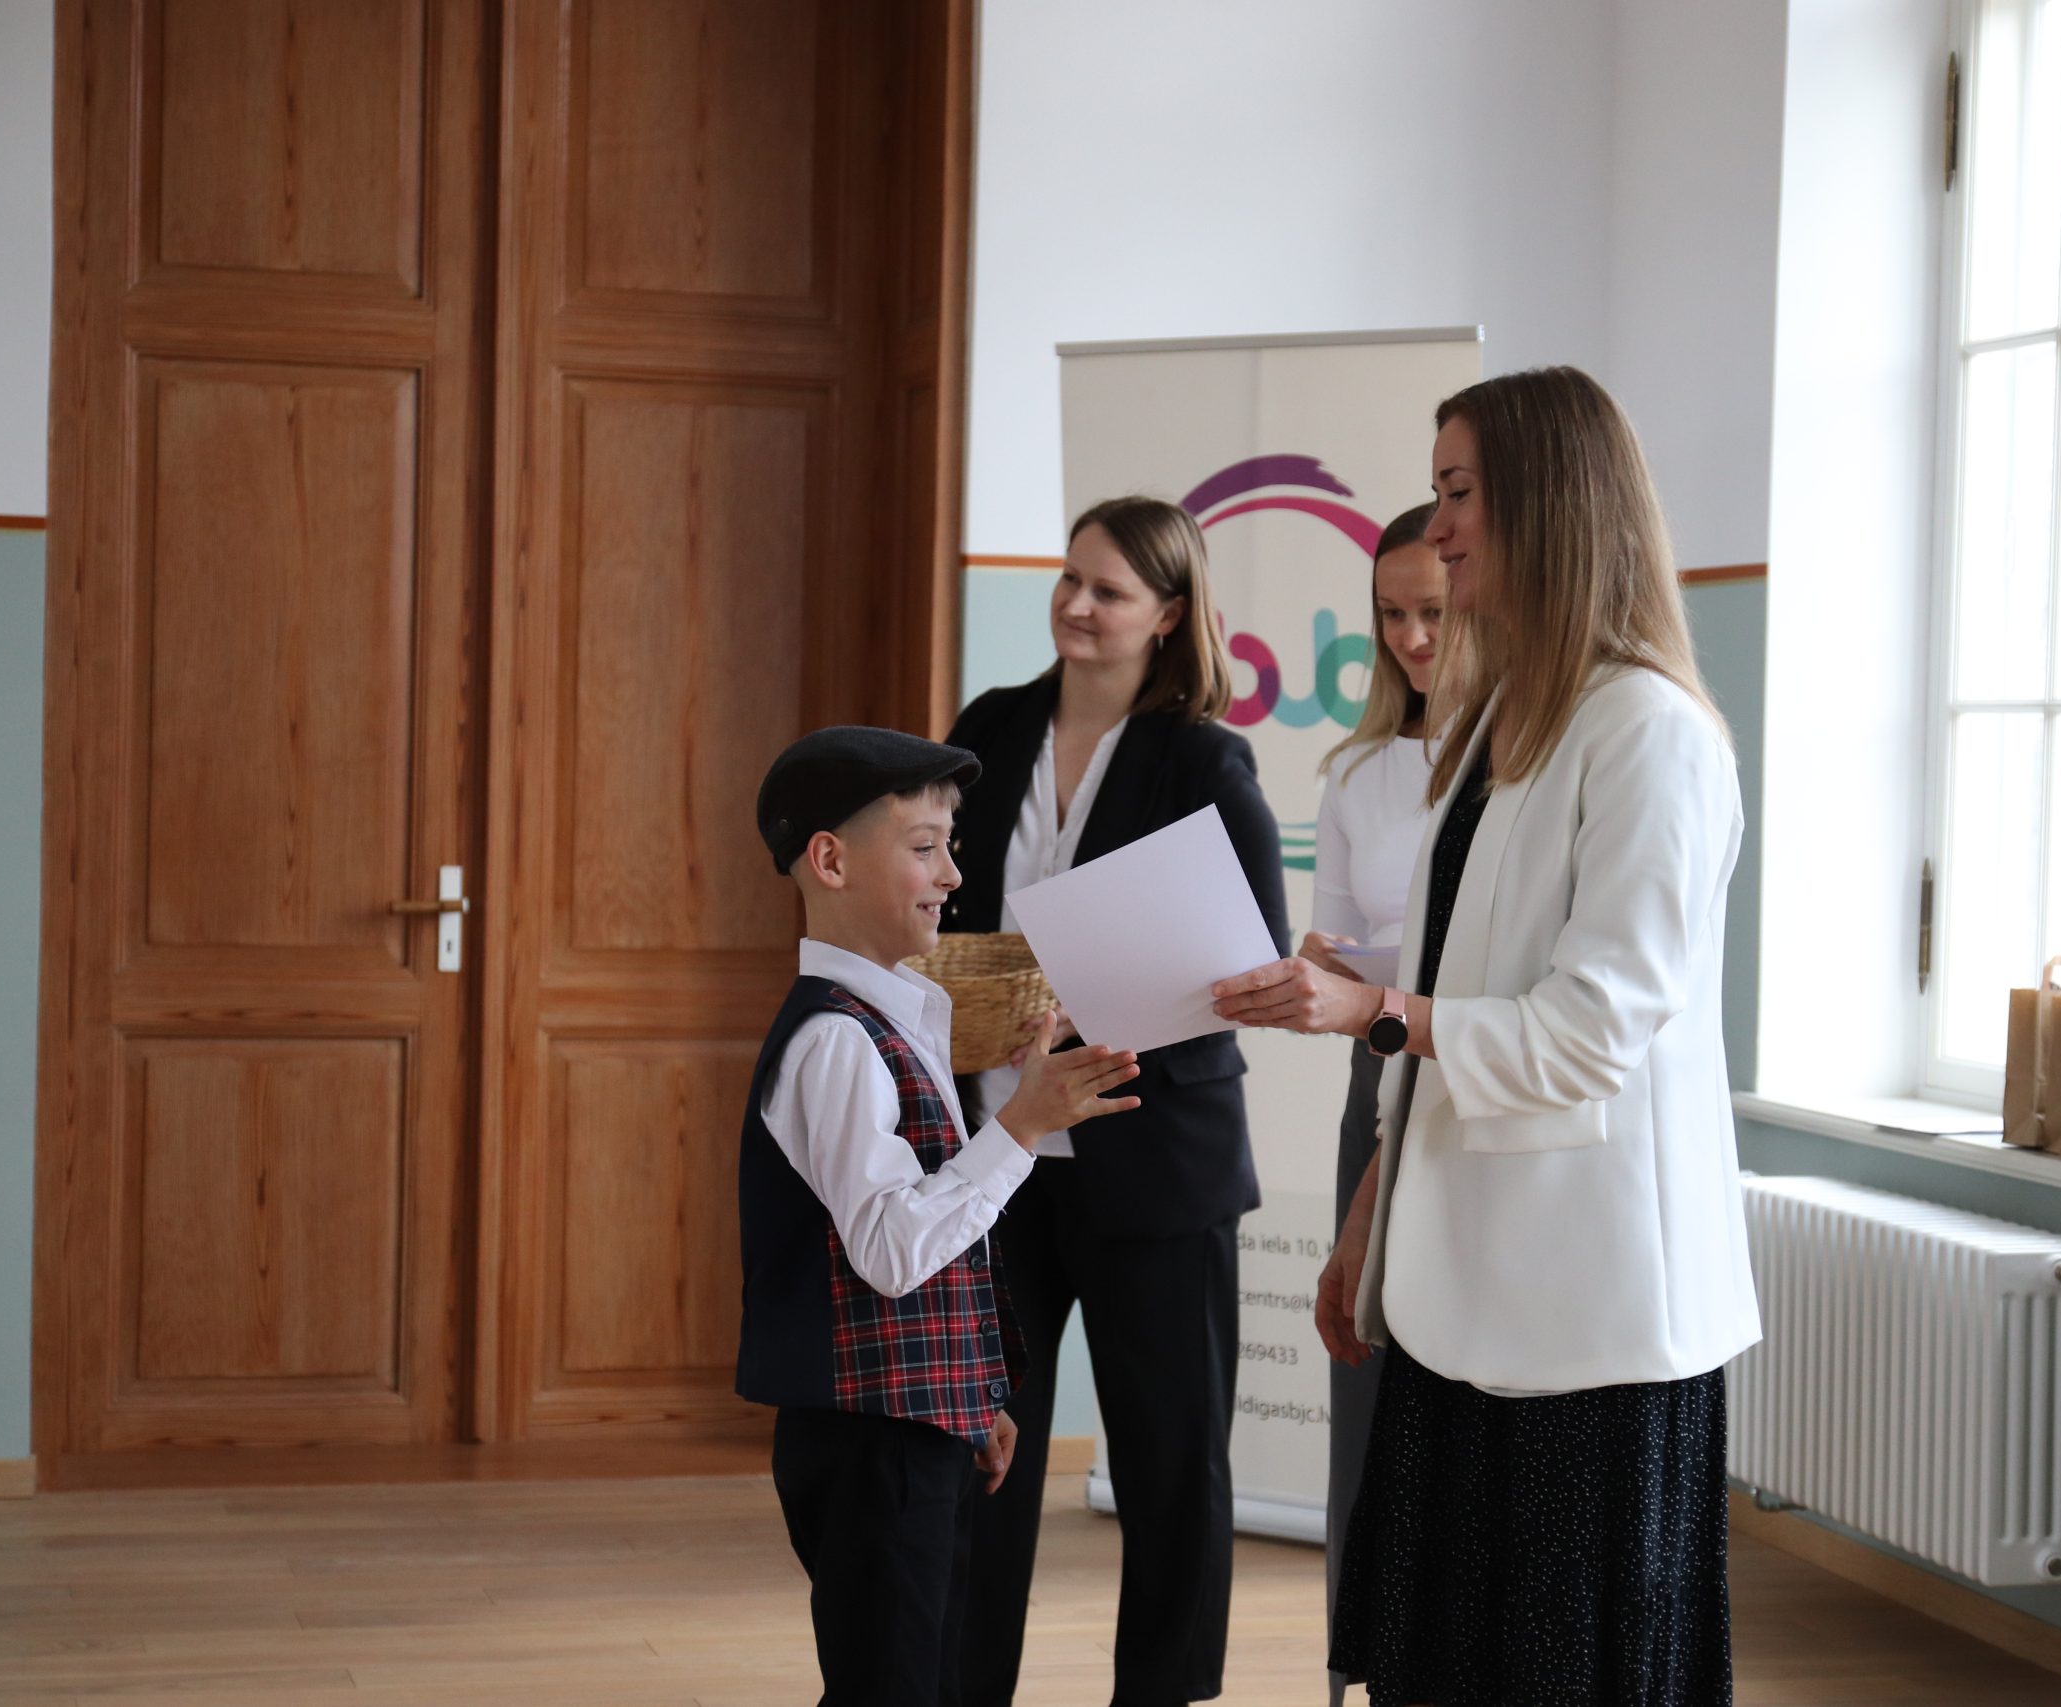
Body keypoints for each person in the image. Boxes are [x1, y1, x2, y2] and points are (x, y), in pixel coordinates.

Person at [1212, 368, 1761, 1706]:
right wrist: (1372, 1213)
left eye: (1459, 494)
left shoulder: (1650, 734)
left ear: (1549, 501)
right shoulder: (1500, 724)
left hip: (1588, 1321)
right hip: (1460, 1292)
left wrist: (1376, 1011)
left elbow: (1590, 1033)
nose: (1438, 528)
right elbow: (1454, 983)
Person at [944, 496, 1289, 1707]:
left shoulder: (1202, 759)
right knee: (981, 1452)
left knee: (1169, 1466)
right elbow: (937, 900)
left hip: (1156, 1160)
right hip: (1000, 1151)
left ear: (1170, 615)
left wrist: (1095, 995)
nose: (1076, 606)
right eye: (1069, 579)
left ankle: (1161, 1696)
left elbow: (1252, 962)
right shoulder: (989, 727)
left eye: (1108, 591)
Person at [736, 726, 1144, 1706]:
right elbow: (890, 1249)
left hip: (913, 1430)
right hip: (869, 1443)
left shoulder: (896, 1018)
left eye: (949, 846)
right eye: (924, 848)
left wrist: (971, 1398)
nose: (952, 874)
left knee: (918, 1675)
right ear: (830, 860)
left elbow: (939, 1231)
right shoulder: (837, 1041)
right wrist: (1021, 1126)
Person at [1300, 500, 1444, 1707]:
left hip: (1476, 1071)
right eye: (1390, 615)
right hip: (1380, 1067)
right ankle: (1363, 1656)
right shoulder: (1355, 771)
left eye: (1433, 612)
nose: (1410, 639)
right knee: (1365, 1353)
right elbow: (1338, 949)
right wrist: (1324, 978)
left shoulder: (1534, 759)